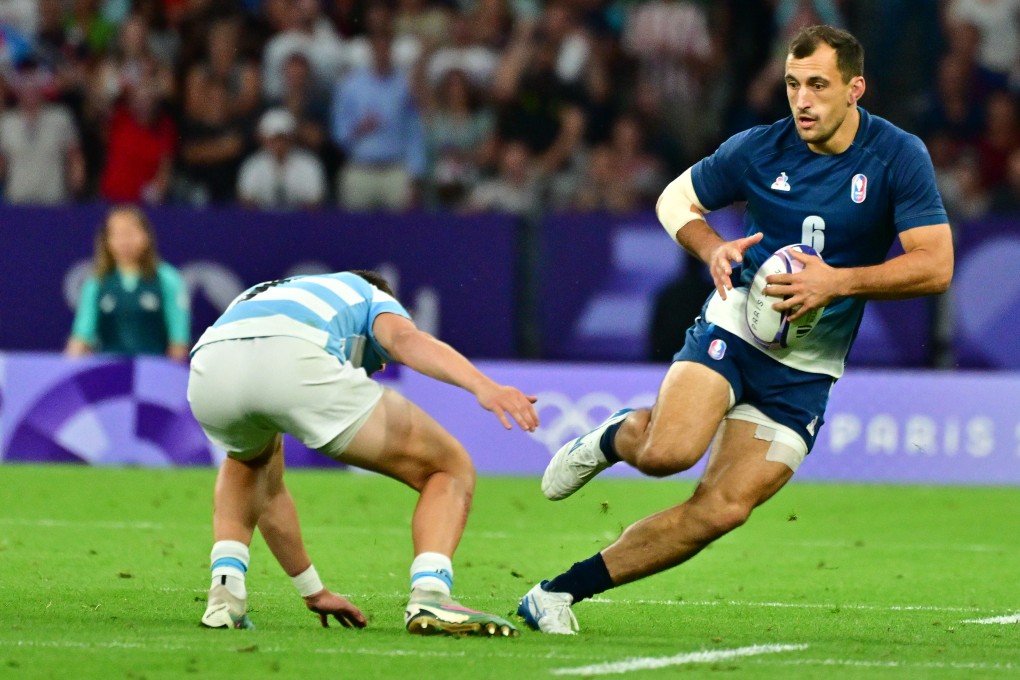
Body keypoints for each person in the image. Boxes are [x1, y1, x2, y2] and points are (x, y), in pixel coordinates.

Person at [517, 25, 954, 634]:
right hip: (735, 328)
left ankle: (555, 595)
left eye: (818, 86)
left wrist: (838, 282)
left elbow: (935, 264)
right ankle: (616, 439)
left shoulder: (896, 155)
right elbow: (675, 201)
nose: (802, 100)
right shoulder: (759, 148)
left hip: (806, 369)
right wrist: (711, 247)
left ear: (856, 89)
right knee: (669, 454)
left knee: (722, 509)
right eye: (793, 85)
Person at [188, 270, 539, 636]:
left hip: (209, 369)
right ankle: (431, 595)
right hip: (296, 358)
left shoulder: (260, 293)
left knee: (249, 462)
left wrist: (313, 591)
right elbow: (404, 338)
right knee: (448, 468)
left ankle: (225, 597)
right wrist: (484, 386)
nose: (383, 365)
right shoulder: (371, 293)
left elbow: (270, 497)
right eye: (380, 356)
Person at [66, 205, 190, 360]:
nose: (125, 240)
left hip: (153, 371)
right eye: (117, 234)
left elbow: (178, 340)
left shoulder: (168, 279)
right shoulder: (96, 283)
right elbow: (81, 336)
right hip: (108, 371)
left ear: (146, 237)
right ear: (107, 241)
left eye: (130, 233)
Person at [236, 108, 326, 210]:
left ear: (292, 138)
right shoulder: (253, 165)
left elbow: (315, 203)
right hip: (261, 223)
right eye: (274, 139)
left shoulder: (309, 163)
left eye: (283, 138)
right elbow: (245, 203)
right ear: (264, 139)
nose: (278, 144)